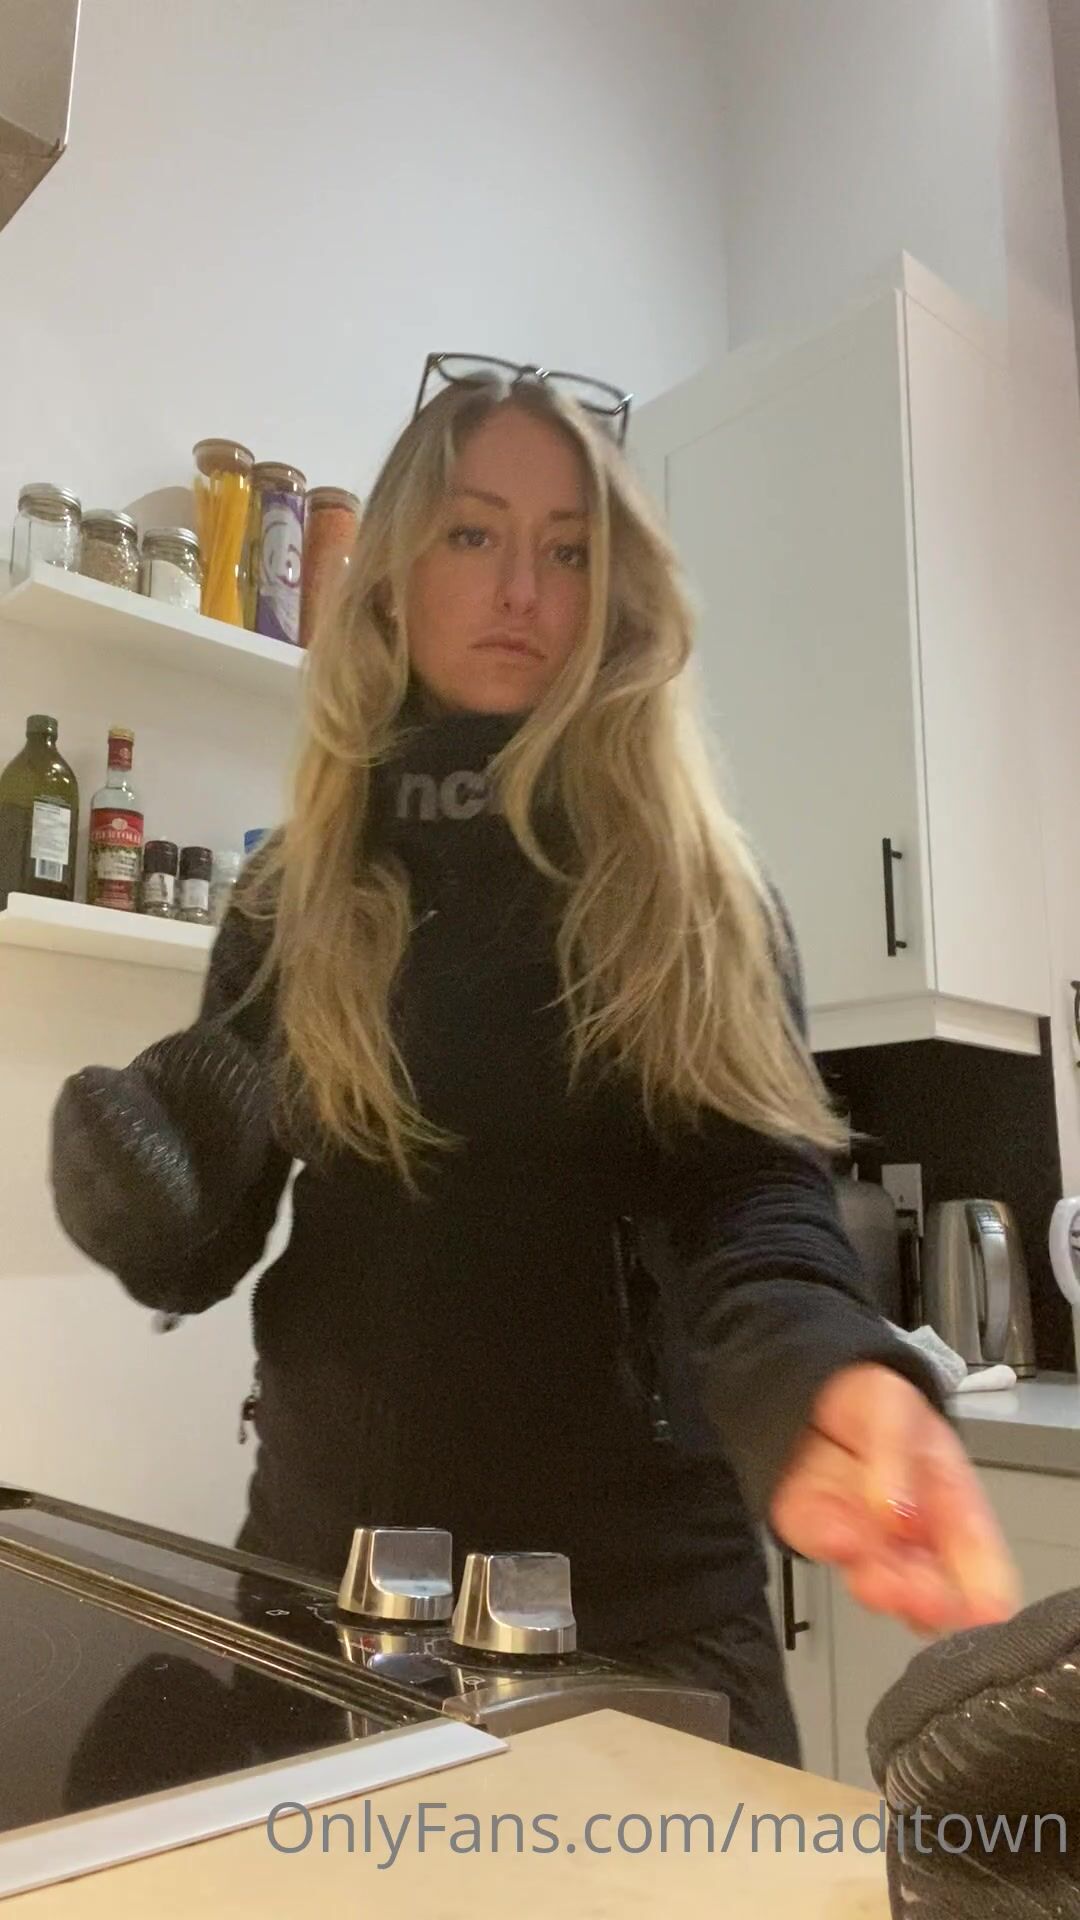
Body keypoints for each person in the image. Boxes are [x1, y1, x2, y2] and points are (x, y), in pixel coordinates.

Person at [50, 354, 1018, 1766]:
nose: (522, 590)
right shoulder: (296, 899)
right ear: (393, 578)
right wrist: (145, 1191)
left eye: (568, 551)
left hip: (640, 1623)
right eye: (472, 534)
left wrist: (829, 1376)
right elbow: (216, 1228)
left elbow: (750, 1199)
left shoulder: (690, 889)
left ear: (616, 596)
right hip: (335, 1596)